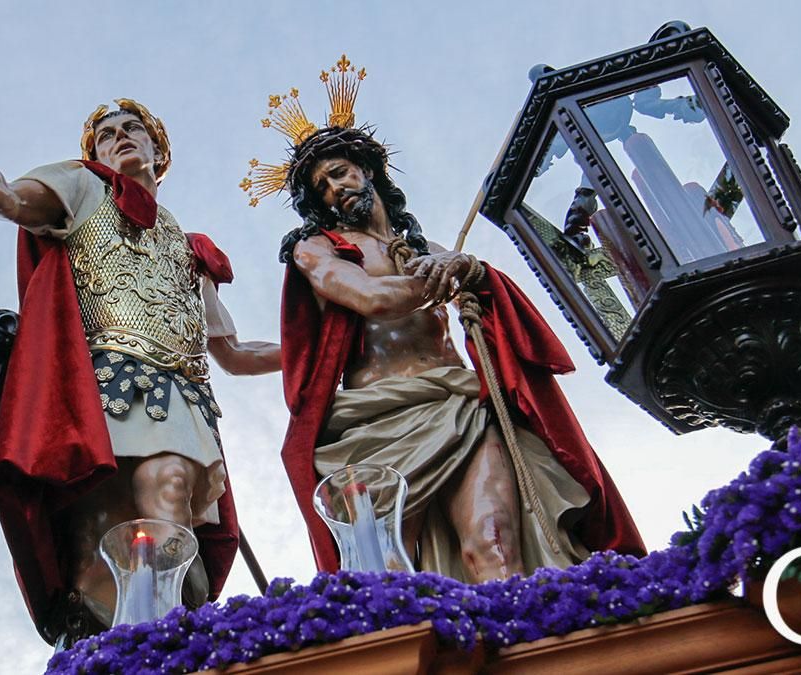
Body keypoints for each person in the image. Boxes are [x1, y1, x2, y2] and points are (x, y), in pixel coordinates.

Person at [0, 92, 280, 642]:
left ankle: (168, 646)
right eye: (106, 133)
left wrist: (314, 352)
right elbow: (9, 200)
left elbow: (232, 352)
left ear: (159, 153)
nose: (120, 136)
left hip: (180, 394)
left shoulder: (190, 251)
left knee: (169, 487)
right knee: (102, 544)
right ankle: (114, 645)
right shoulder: (82, 187)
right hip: (98, 392)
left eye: (132, 128)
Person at [271, 119, 645, 583]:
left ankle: (526, 640)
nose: (334, 189)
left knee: (494, 539)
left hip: (459, 406)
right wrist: (450, 273)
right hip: (377, 425)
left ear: (367, 170)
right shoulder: (318, 250)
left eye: (340, 172)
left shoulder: (427, 249)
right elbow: (372, 299)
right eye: (322, 186)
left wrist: (472, 271)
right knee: (386, 569)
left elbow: (483, 297)